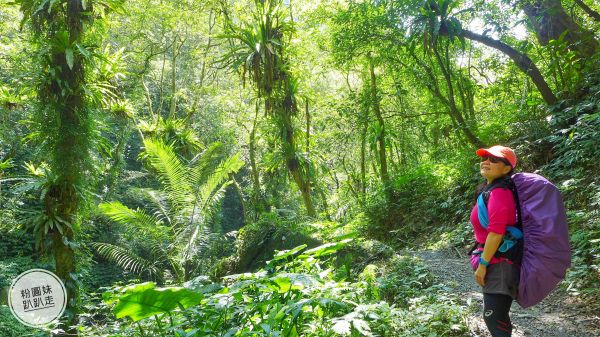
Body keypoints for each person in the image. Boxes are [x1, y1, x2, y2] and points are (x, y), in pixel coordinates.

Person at [469, 145, 522, 337]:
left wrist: (483, 264)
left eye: (493, 160)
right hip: (497, 260)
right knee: (497, 317)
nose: (486, 161)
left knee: (493, 317)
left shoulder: (500, 192)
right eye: (485, 158)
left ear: (507, 168)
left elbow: (496, 232)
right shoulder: (489, 190)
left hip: (500, 263)